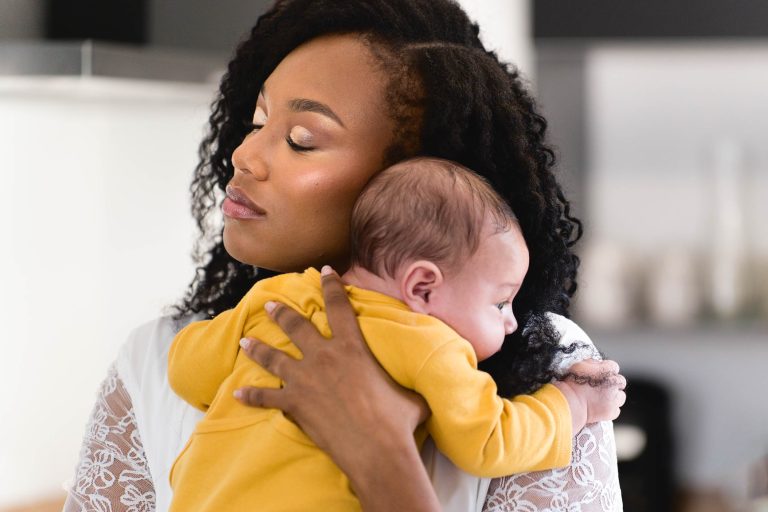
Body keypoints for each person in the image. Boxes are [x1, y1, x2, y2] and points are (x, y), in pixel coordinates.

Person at [64, 1, 627, 511]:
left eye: (302, 139)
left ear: (414, 175)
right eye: (258, 123)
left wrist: (381, 453)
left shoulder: (541, 366)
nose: (244, 154)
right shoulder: (150, 364)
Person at [166, 158, 625, 511]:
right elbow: (489, 441)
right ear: (422, 287)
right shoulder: (431, 345)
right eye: (500, 303)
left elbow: (188, 373)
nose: (510, 321)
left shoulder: (283, 294)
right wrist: (573, 403)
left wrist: (235, 332)